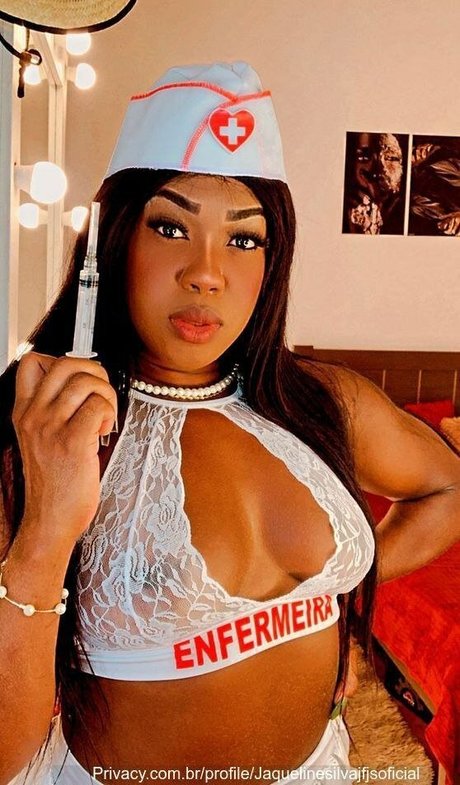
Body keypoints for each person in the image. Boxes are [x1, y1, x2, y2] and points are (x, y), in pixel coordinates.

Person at [0, 62, 459, 785]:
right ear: (113, 241)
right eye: (170, 227)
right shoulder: (42, 420)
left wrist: (339, 598)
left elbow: (446, 487)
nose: (206, 273)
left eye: (244, 240)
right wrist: (47, 530)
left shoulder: (321, 401)